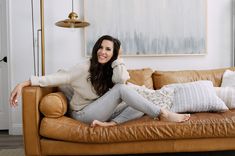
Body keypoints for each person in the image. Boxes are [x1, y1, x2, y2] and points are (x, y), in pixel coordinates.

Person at [10, 35, 190, 127]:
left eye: (108, 49)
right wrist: (23, 83)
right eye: (101, 47)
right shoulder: (83, 68)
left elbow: (121, 79)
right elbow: (54, 78)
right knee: (122, 90)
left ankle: (110, 124)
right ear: (96, 49)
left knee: (137, 101)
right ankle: (162, 114)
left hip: (102, 112)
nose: (103, 52)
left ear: (114, 54)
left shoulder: (111, 68)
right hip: (83, 114)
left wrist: (119, 59)